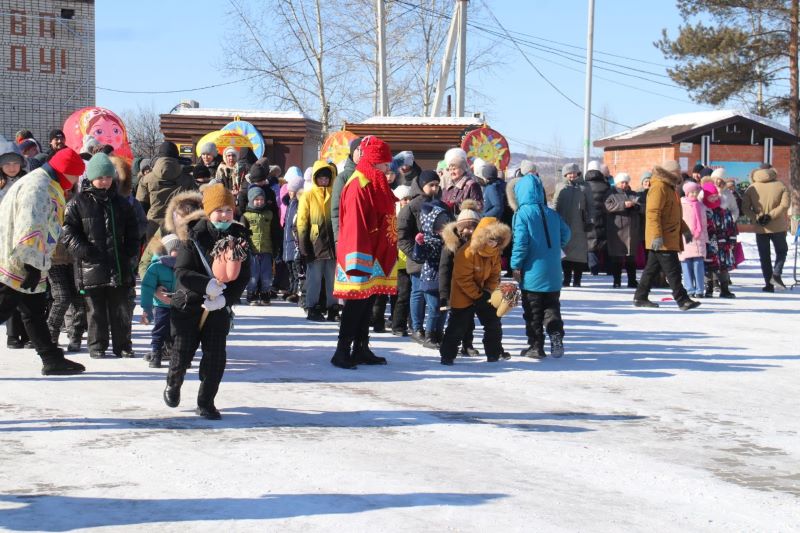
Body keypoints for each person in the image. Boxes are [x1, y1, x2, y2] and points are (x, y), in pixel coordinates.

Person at [164, 183, 252, 420]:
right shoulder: (192, 235)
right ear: (208, 211)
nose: (224, 215)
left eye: (228, 210)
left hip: (218, 308)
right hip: (188, 304)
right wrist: (206, 285)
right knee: (182, 352)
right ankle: (174, 383)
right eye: (219, 210)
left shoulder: (240, 237)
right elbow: (181, 271)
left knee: (215, 358)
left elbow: (243, 276)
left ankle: (206, 401)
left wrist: (225, 298)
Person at [0, 147, 86, 375]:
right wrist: (32, 265)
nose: (76, 180)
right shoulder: (38, 187)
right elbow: (30, 225)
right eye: (75, 175)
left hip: (26, 260)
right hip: (18, 262)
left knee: (34, 310)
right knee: (6, 307)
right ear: (66, 172)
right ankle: (51, 358)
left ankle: (51, 358)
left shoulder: (43, 182)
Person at [62, 153, 140, 358]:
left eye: (108, 177)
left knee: (121, 308)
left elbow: (134, 230)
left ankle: (123, 345)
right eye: (101, 177)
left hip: (118, 264)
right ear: (91, 178)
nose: (105, 181)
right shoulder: (78, 202)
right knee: (95, 311)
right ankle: (96, 345)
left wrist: (130, 251)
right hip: (91, 265)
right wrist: (84, 250)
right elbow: (68, 232)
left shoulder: (122, 203)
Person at [331, 136, 398, 369]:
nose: (388, 168)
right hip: (360, 255)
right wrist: (359, 261)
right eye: (384, 163)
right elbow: (354, 227)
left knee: (368, 303)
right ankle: (342, 351)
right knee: (355, 305)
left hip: (376, 253)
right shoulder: (358, 185)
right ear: (373, 161)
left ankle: (361, 347)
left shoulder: (377, 183)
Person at [509, 172, 571, 358]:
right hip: (553, 271)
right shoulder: (552, 213)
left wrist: (515, 265)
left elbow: (521, 243)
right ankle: (555, 333)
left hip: (532, 272)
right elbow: (566, 235)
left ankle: (536, 346)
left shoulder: (522, 214)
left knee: (533, 312)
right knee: (551, 307)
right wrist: (553, 246)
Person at [439, 217, 511, 365]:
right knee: (458, 326)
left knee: (493, 323)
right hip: (463, 292)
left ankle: (494, 353)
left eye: (497, 241)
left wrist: (487, 291)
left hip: (484, 293)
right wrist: (477, 295)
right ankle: (447, 355)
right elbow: (462, 278)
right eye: (490, 240)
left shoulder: (495, 253)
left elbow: (495, 275)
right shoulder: (466, 252)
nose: (493, 244)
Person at [632, 161, 700, 310]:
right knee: (673, 270)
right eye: (678, 170)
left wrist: (685, 230)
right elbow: (653, 213)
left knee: (651, 269)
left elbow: (674, 215)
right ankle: (682, 300)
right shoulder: (659, 187)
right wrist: (656, 236)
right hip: (662, 237)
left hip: (668, 236)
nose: (680, 172)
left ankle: (640, 297)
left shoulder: (670, 188)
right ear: (671, 172)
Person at [397, 170, 443, 344]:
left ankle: (433, 329)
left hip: (436, 259)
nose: (434, 188)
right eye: (431, 185)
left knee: (432, 295)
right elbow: (402, 236)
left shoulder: (440, 205)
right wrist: (416, 254)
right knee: (417, 292)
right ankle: (416, 328)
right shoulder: (411, 207)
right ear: (421, 185)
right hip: (418, 258)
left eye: (437, 185)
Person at [439, 199, 482, 356]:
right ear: (459, 227)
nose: (470, 231)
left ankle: (467, 344)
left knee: (470, 319)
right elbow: (444, 270)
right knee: (457, 320)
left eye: (473, 228)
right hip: (455, 287)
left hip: (473, 286)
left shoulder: (478, 244)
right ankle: (451, 346)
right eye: (466, 228)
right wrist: (444, 294)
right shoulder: (452, 245)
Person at [297, 160, 338, 321]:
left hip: (332, 243)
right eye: (321, 178)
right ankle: (312, 306)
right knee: (314, 278)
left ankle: (332, 307)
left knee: (332, 279)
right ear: (315, 178)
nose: (324, 181)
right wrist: (303, 245)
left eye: (326, 178)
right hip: (315, 243)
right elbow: (301, 221)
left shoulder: (335, 194)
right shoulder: (308, 195)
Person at [411, 198, 453, 349]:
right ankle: (429, 335)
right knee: (434, 308)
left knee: (444, 309)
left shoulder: (449, 240)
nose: (442, 227)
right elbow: (419, 257)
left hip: (445, 281)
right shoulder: (428, 240)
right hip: (430, 279)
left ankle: (439, 334)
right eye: (439, 223)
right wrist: (419, 245)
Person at [136, 141, 198, 240]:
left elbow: (141, 207)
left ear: (159, 156)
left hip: (153, 227)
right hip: (179, 226)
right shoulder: (187, 178)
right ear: (176, 156)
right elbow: (195, 204)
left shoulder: (146, 179)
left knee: (155, 254)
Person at [742, 167, 790, 291]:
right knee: (782, 251)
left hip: (760, 227)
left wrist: (757, 217)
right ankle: (776, 274)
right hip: (778, 226)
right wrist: (771, 215)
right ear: (772, 173)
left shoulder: (751, 188)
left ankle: (768, 284)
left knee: (764, 256)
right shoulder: (780, 185)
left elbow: (745, 208)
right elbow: (785, 205)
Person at [140, 233, 179, 368]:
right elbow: (147, 286)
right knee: (160, 329)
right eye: (174, 249)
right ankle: (156, 353)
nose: (177, 253)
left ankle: (177, 355)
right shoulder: (156, 266)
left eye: (180, 249)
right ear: (166, 250)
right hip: (161, 305)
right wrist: (146, 307)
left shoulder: (184, 265)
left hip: (178, 305)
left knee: (178, 331)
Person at [241, 184, 281, 305]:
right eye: (256, 200)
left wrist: (275, 247)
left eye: (261, 200)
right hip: (252, 251)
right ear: (251, 200)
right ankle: (251, 294)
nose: (259, 202)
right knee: (253, 275)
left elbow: (275, 231)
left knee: (267, 276)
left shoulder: (269, 214)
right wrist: (245, 246)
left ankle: (265, 293)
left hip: (266, 250)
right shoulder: (246, 216)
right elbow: (243, 233)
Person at [554, 163, 592, 287]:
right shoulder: (560, 187)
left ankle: (577, 280)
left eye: (574, 173)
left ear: (578, 173)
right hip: (563, 225)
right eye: (569, 173)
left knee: (579, 255)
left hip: (580, 225)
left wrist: (590, 220)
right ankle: (566, 279)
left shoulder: (585, 187)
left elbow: (591, 206)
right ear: (565, 174)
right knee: (565, 253)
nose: (571, 175)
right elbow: (555, 204)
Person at [603, 172, 642, 288]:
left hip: (632, 230)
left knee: (631, 257)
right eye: (622, 182)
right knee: (617, 257)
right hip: (617, 231)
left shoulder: (633, 194)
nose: (624, 185)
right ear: (617, 183)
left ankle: (632, 280)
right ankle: (617, 280)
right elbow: (607, 207)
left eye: (626, 182)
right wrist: (623, 205)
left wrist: (635, 206)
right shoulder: (611, 194)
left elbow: (641, 207)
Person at [701, 182, 737, 298]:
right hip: (709, 243)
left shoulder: (723, 209)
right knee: (708, 266)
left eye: (715, 195)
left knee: (723, 266)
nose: (714, 198)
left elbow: (730, 224)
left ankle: (725, 289)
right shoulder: (703, 209)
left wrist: (732, 239)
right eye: (711, 196)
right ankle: (709, 288)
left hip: (723, 243)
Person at [678, 182, 708, 299]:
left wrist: (705, 238)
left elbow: (704, 223)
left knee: (698, 264)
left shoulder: (701, 205)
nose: (694, 194)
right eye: (691, 192)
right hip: (685, 238)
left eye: (696, 192)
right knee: (686, 264)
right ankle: (689, 289)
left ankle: (700, 290)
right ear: (686, 193)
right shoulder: (681, 204)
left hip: (699, 238)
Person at [389, 185, 413, 336]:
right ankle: (397, 325)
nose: (407, 201)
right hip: (396, 261)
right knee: (400, 294)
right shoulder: (393, 217)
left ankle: (403, 322)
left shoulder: (411, 215)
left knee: (406, 293)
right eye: (404, 199)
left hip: (409, 260)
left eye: (409, 198)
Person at [331, 137, 362, 244]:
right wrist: (338, 238)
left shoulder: (371, 176)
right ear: (352, 152)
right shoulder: (343, 178)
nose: (361, 153)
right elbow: (336, 210)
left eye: (364, 150)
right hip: (347, 235)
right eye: (358, 150)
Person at [282, 169, 306, 304]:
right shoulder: (289, 203)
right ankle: (291, 289)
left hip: (294, 241)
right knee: (290, 268)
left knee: (297, 269)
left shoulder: (299, 203)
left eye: (293, 190)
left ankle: (297, 292)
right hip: (287, 241)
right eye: (290, 190)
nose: (290, 192)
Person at [584, 161, 610, 276]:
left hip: (589, 219)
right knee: (605, 244)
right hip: (605, 218)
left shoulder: (583, 185)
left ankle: (593, 269)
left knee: (590, 244)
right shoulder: (606, 185)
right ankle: (608, 269)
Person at [442, 148, 483, 214]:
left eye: (454, 169)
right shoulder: (447, 187)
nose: (452, 172)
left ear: (463, 169)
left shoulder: (471, 185)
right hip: (448, 221)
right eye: (450, 169)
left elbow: (479, 206)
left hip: (465, 221)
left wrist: (456, 206)